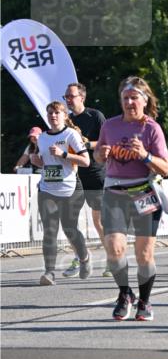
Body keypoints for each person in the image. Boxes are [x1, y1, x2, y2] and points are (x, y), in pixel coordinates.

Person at [96, 76, 168, 321]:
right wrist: (101, 153)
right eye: (125, 98)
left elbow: (165, 168)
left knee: (144, 254)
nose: (129, 102)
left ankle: (145, 301)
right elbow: (98, 155)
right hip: (115, 192)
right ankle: (124, 293)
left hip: (144, 193)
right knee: (115, 248)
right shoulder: (109, 125)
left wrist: (145, 155)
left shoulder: (151, 128)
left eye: (134, 98)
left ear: (144, 100)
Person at [31, 101, 91, 286]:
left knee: (69, 229)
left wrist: (63, 154)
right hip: (47, 189)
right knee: (50, 231)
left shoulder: (70, 134)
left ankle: (84, 258)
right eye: (49, 113)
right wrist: (37, 161)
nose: (53, 116)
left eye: (57, 112)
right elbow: (45, 162)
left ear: (65, 115)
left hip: (70, 189)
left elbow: (85, 161)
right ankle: (49, 272)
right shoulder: (41, 137)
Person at [61, 82, 110, 277]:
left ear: (82, 97)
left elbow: (106, 142)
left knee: (99, 222)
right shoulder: (66, 121)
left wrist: (87, 143)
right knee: (69, 223)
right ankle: (80, 257)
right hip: (73, 176)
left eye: (71, 96)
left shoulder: (95, 116)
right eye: (66, 97)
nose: (68, 100)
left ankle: (111, 259)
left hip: (95, 174)